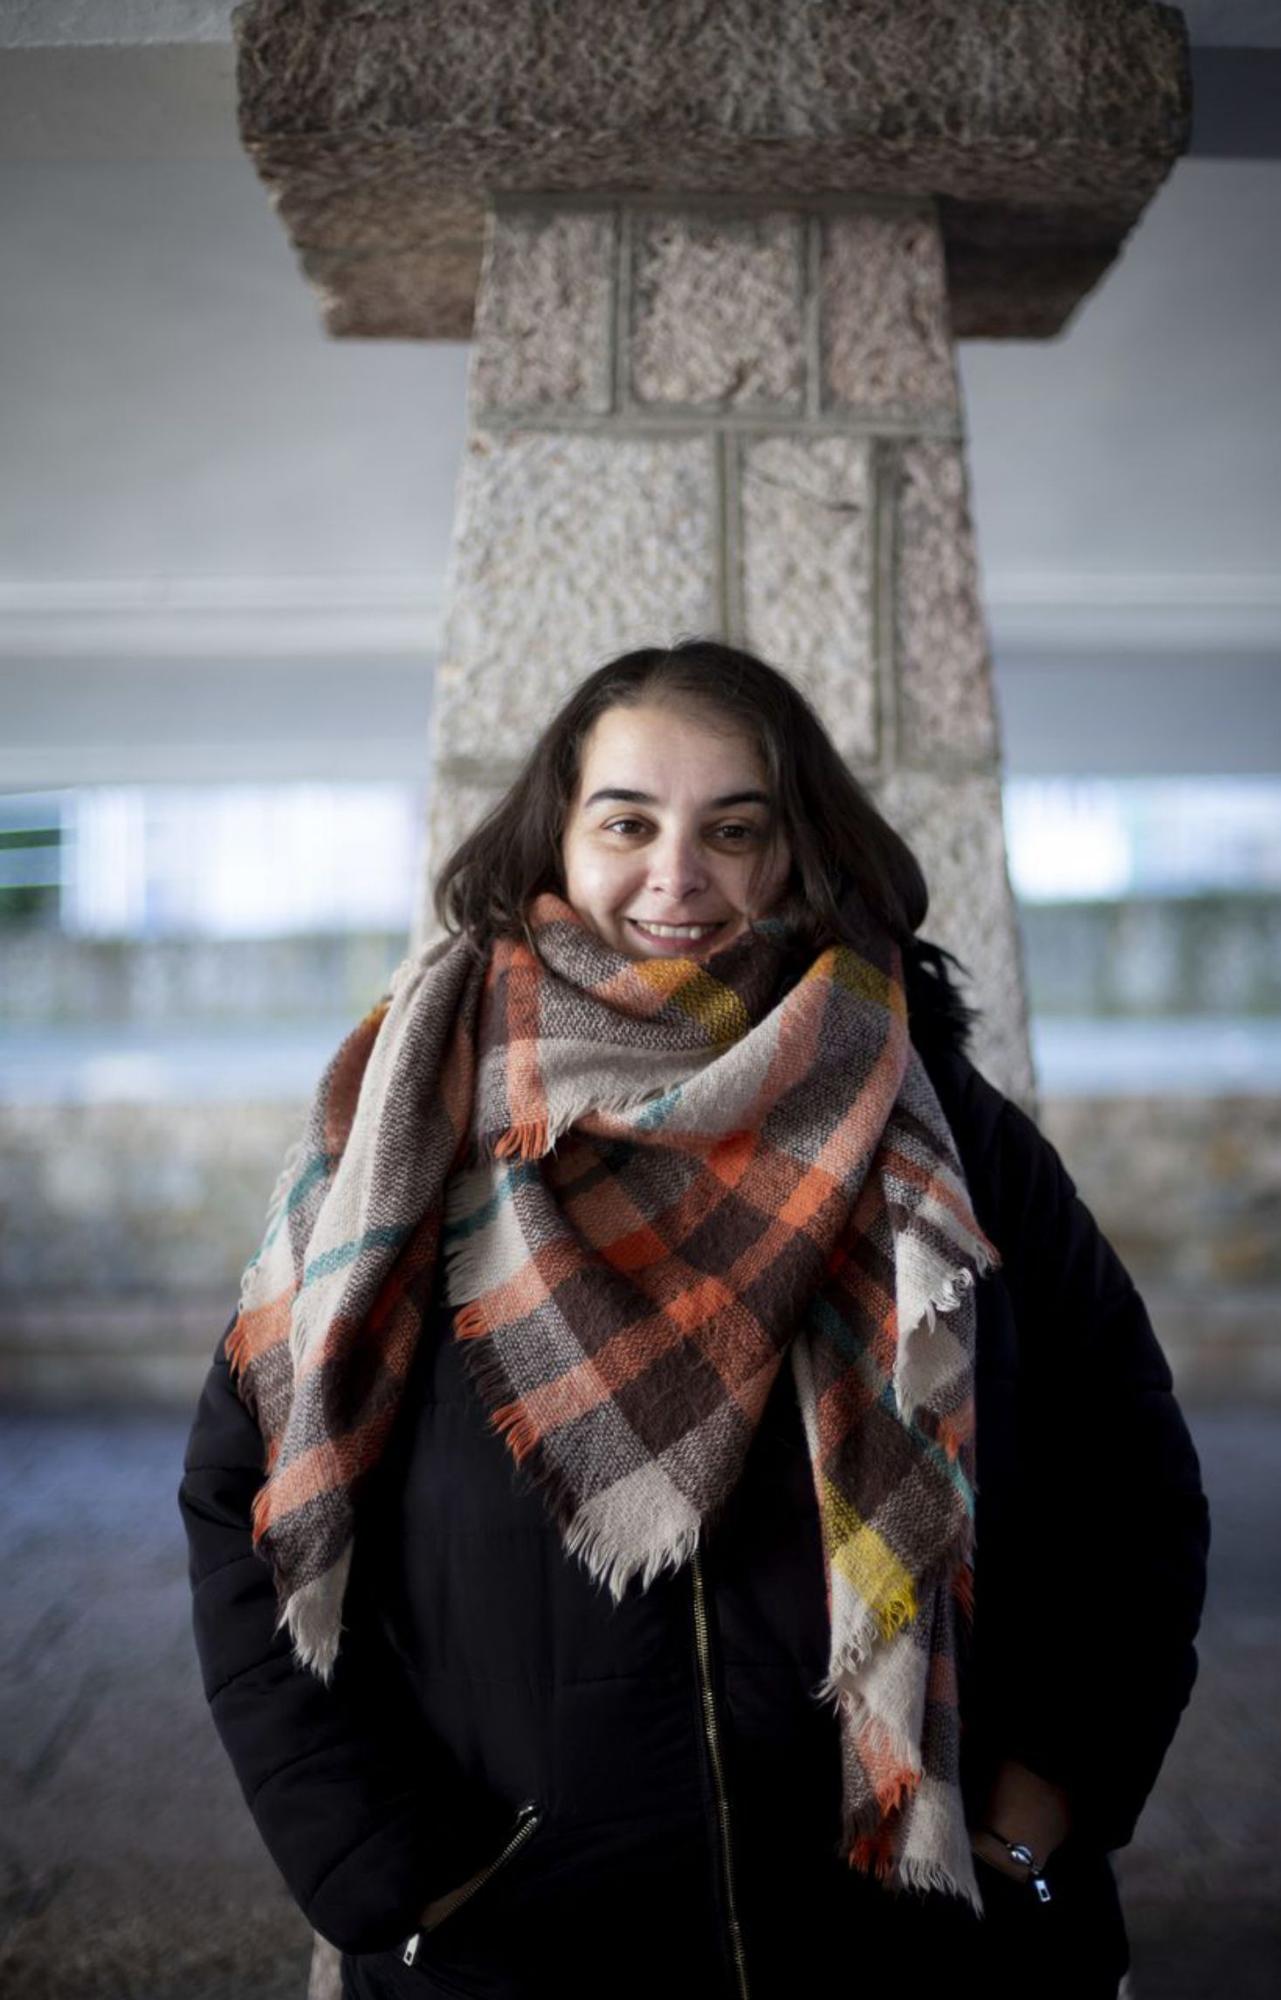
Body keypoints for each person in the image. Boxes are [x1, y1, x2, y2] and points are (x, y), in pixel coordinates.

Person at [178, 639, 1210, 2000]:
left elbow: (1124, 1469)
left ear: (797, 851)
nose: (677, 877)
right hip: (526, 1943)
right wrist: (387, 1867)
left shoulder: (936, 1123)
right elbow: (245, 1494)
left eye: (736, 829)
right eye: (629, 822)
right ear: (555, 832)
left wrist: (1040, 1813)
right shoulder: (410, 1120)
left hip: (917, 1941)